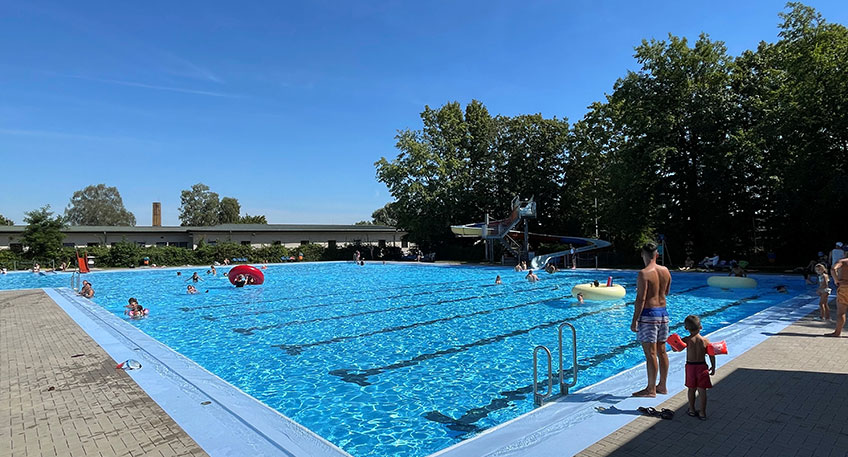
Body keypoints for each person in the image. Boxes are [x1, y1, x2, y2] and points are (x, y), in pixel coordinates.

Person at [631, 242, 671, 398]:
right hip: (663, 314)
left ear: (643, 254)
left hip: (648, 316)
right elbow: (666, 291)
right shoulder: (665, 270)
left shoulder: (644, 273)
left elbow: (641, 299)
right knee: (662, 351)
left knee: (651, 354)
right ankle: (662, 386)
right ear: (657, 255)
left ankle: (650, 389)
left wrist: (635, 320)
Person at [681, 315, 716, 420]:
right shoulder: (705, 341)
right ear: (700, 327)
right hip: (702, 367)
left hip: (690, 367)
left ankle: (691, 410)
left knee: (691, 389)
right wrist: (713, 367)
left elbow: (675, 349)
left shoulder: (686, 340)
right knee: (702, 391)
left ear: (686, 328)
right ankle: (702, 413)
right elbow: (711, 355)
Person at [826, 257, 848, 337]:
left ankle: (837, 332)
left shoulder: (842, 261)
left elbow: (833, 269)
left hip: (844, 286)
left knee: (841, 312)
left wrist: (836, 280)